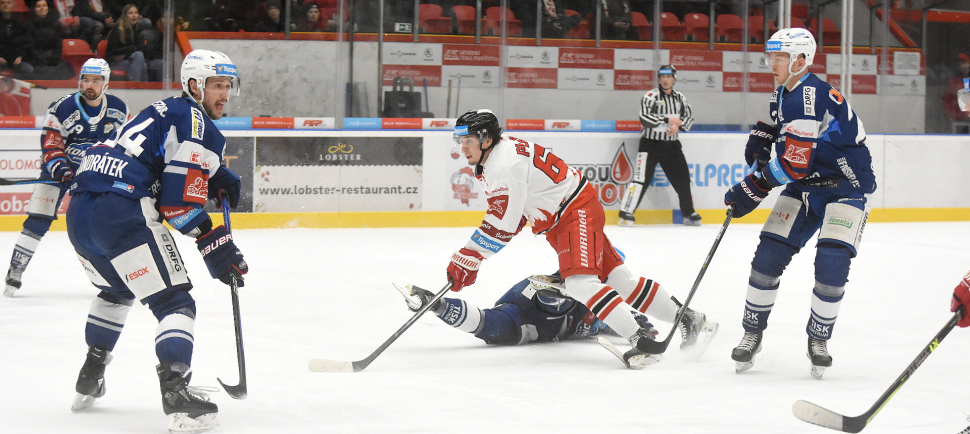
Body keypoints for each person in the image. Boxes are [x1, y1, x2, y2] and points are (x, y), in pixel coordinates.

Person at [66, 49, 248, 434]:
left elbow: (163, 160)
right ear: (194, 85)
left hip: (81, 211)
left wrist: (214, 172)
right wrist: (215, 242)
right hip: (121, 210)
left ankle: (91, 372)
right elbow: (178, 205)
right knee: (175, 302)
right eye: (217, 85)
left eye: (227, 86)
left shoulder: (165, 108)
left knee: (117, 291)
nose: (224, 94)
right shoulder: (201, 125)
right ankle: (177, 395)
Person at [445, 108, 700, 368]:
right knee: (619, 280)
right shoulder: (498, 154)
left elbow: (503, 223)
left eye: (469, 141)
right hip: (566, 214)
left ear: (486, 140)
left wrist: (468, 256)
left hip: (572, 212)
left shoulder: (502, 164)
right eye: (461, 141)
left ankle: (641, 340)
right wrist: (476, 253)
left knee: (580, 284)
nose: (463, 148)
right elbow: (515, 212)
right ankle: (688, 318)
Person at [722, 28, 875, 379]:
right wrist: (763, 137)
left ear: (801, 60)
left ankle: (818, 340)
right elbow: (781, 122)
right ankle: (752, 333)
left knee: (831, 264)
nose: (771, 63)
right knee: (767, 258)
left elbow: (794, 163)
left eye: (779, 57)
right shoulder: (786, 90)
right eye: (770, 56)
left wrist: (753, 188)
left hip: (843, 188)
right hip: (805, 188)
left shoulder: (807, 94)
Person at [3, 58, 128, 297]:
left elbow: (122, 145)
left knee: (108, 221)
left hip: (96, 174)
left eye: (96, 80)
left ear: (106, 83)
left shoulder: (119, 109)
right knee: (38, 218)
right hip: (58, 172)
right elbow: (51, 142)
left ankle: (111, 272)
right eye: (86, 79)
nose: (89, 85)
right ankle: (15, 269)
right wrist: (60, 169)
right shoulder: (62, 107)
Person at [401, 267, 717, 355]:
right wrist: (439, 305)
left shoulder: (583, 298)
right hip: (524, 318)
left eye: (561, 298)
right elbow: (481, 322)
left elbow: (614, 306)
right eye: (551, 300)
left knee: (614, 287)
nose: (558, 304)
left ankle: (686, 315)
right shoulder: (516, 316)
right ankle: (686, 316)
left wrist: (640, 325)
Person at [617, 64, 700, 227]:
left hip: (672, 146)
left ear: (674, 78)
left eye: (669, 77)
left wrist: (678, 126)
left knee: (683, 179)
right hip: (650, 145)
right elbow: (645, 119)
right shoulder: (650, 96)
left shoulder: (680, 98)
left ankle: (688, 212)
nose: (665, 80)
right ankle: (626, 212)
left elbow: (689, 118)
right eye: (662, 77)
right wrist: (667, 120)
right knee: (641, 179)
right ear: (659, 79)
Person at [25, 0, 76, 80]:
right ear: (34, 9)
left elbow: (58, 46)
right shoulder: (28, 25)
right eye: (38, 6)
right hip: (36, 61)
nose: (42, 8)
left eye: (44, 6)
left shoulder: (56, 25)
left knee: (65, 68)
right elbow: (30, 47)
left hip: (53, 60)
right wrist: (42, 58)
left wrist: (53, 58)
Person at [0, 0, 35, 79]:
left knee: (29, 69)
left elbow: (24, 43)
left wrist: (20, 57)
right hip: (1, 59)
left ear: (13, 5)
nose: (5, 5)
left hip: (15, 60)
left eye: (8, 3)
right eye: (2, 3)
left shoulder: (19, 23)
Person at [942, 53, 970, 133]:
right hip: (959, 118)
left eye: (963, 62)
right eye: (959, 63)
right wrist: (950, 113)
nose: (961, 65)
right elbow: (946, 98)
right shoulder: (954, 80)